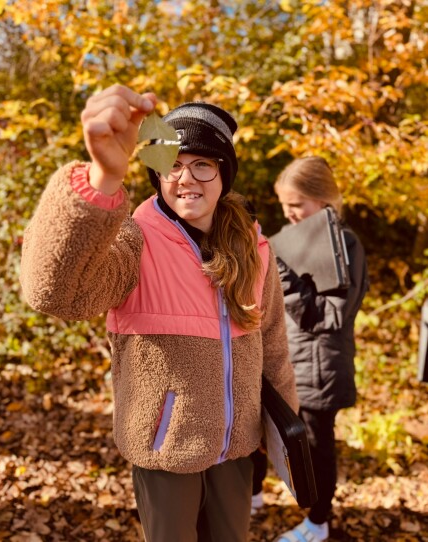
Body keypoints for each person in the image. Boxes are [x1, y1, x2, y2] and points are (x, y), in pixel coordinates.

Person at [20, 84, 298, 542]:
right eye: (173, 165)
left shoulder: (254, 247)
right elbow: (55, 293)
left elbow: (273, 348)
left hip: (237, 450)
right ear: (157, 174)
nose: (185, 178)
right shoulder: (134, 241)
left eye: (202, 165)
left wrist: (286, 440)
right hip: (164, 449)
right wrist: (103, 179)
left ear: (224, 173)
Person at [252, 156, 369, 541]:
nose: (290, 214)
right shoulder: (293, 237)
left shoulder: (345, 245)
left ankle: (319, 523)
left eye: (297, 204)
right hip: (287, 361)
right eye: (285, 206)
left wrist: (282, 280)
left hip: (321, 368)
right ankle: (252, 495)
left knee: (318, 446)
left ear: (324, 200)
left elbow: (329, 317)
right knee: (262, 430)